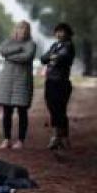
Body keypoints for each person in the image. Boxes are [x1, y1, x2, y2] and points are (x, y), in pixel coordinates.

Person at [0, 21, 36, 149]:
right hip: (8, 82)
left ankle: (20, 141)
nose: (20, 31)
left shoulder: (31, 44)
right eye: (18, 28)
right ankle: (6, 139)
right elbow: (2, 50)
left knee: (22, 111)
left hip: (22, 81)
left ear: (27, 31)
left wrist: (9, 56)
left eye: (23, 29)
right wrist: (18, 49)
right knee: (7, 112)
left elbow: (27, 56)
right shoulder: (9, 41)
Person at [41, 22, 76, 150]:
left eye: (62, 31)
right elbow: (42, 59)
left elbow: (62, 57)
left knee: (59, 109)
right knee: (52, 108)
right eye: (57, 31)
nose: (59, 34)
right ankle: (61, 136)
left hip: (61, 82)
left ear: (67, 33)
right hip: (50, 81)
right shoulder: (55, 45)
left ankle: (59, 137)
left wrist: (52, 57)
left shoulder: (69, 45)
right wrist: (52, 57)